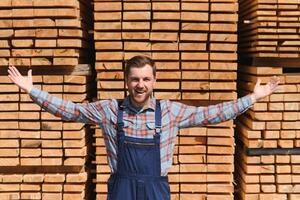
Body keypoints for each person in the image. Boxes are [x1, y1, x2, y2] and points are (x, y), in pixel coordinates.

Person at [8, 55, 280, 200]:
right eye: (135, 79)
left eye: (146, 79)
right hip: (121, 190)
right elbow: (72, 111)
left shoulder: (171, 112)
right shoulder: (110, 110)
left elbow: (211, 114)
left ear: (154, 80)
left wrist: (253, 97)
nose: (141, 85)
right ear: (126, 81)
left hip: (156, 190)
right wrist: (34, 91)